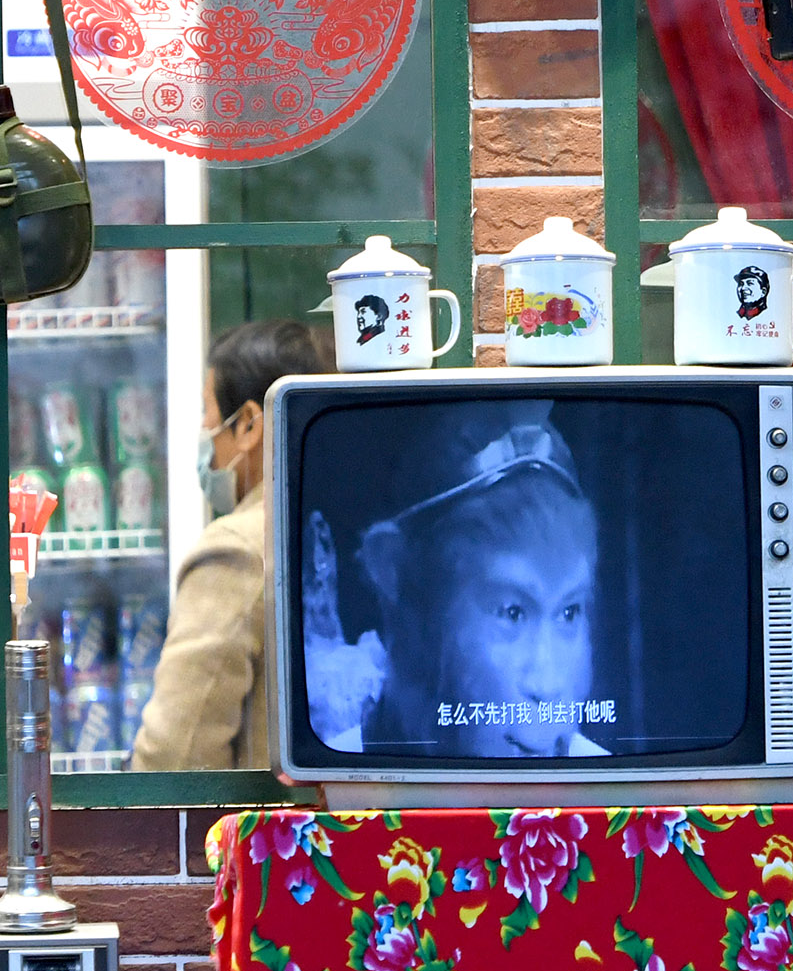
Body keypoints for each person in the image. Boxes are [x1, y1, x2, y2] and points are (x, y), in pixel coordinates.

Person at [306, 414, 608, 759]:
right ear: (394, 573)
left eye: (569, 613)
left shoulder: (633, 807)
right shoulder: (330, 786)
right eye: (512, 613)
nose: (548, 684)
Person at [130, 317, 330, 771]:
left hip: (268, 836)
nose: (204, 430)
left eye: (207, 411)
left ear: (249, 425)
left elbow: (176, 757)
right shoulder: (347, 528)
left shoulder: (239, 550)